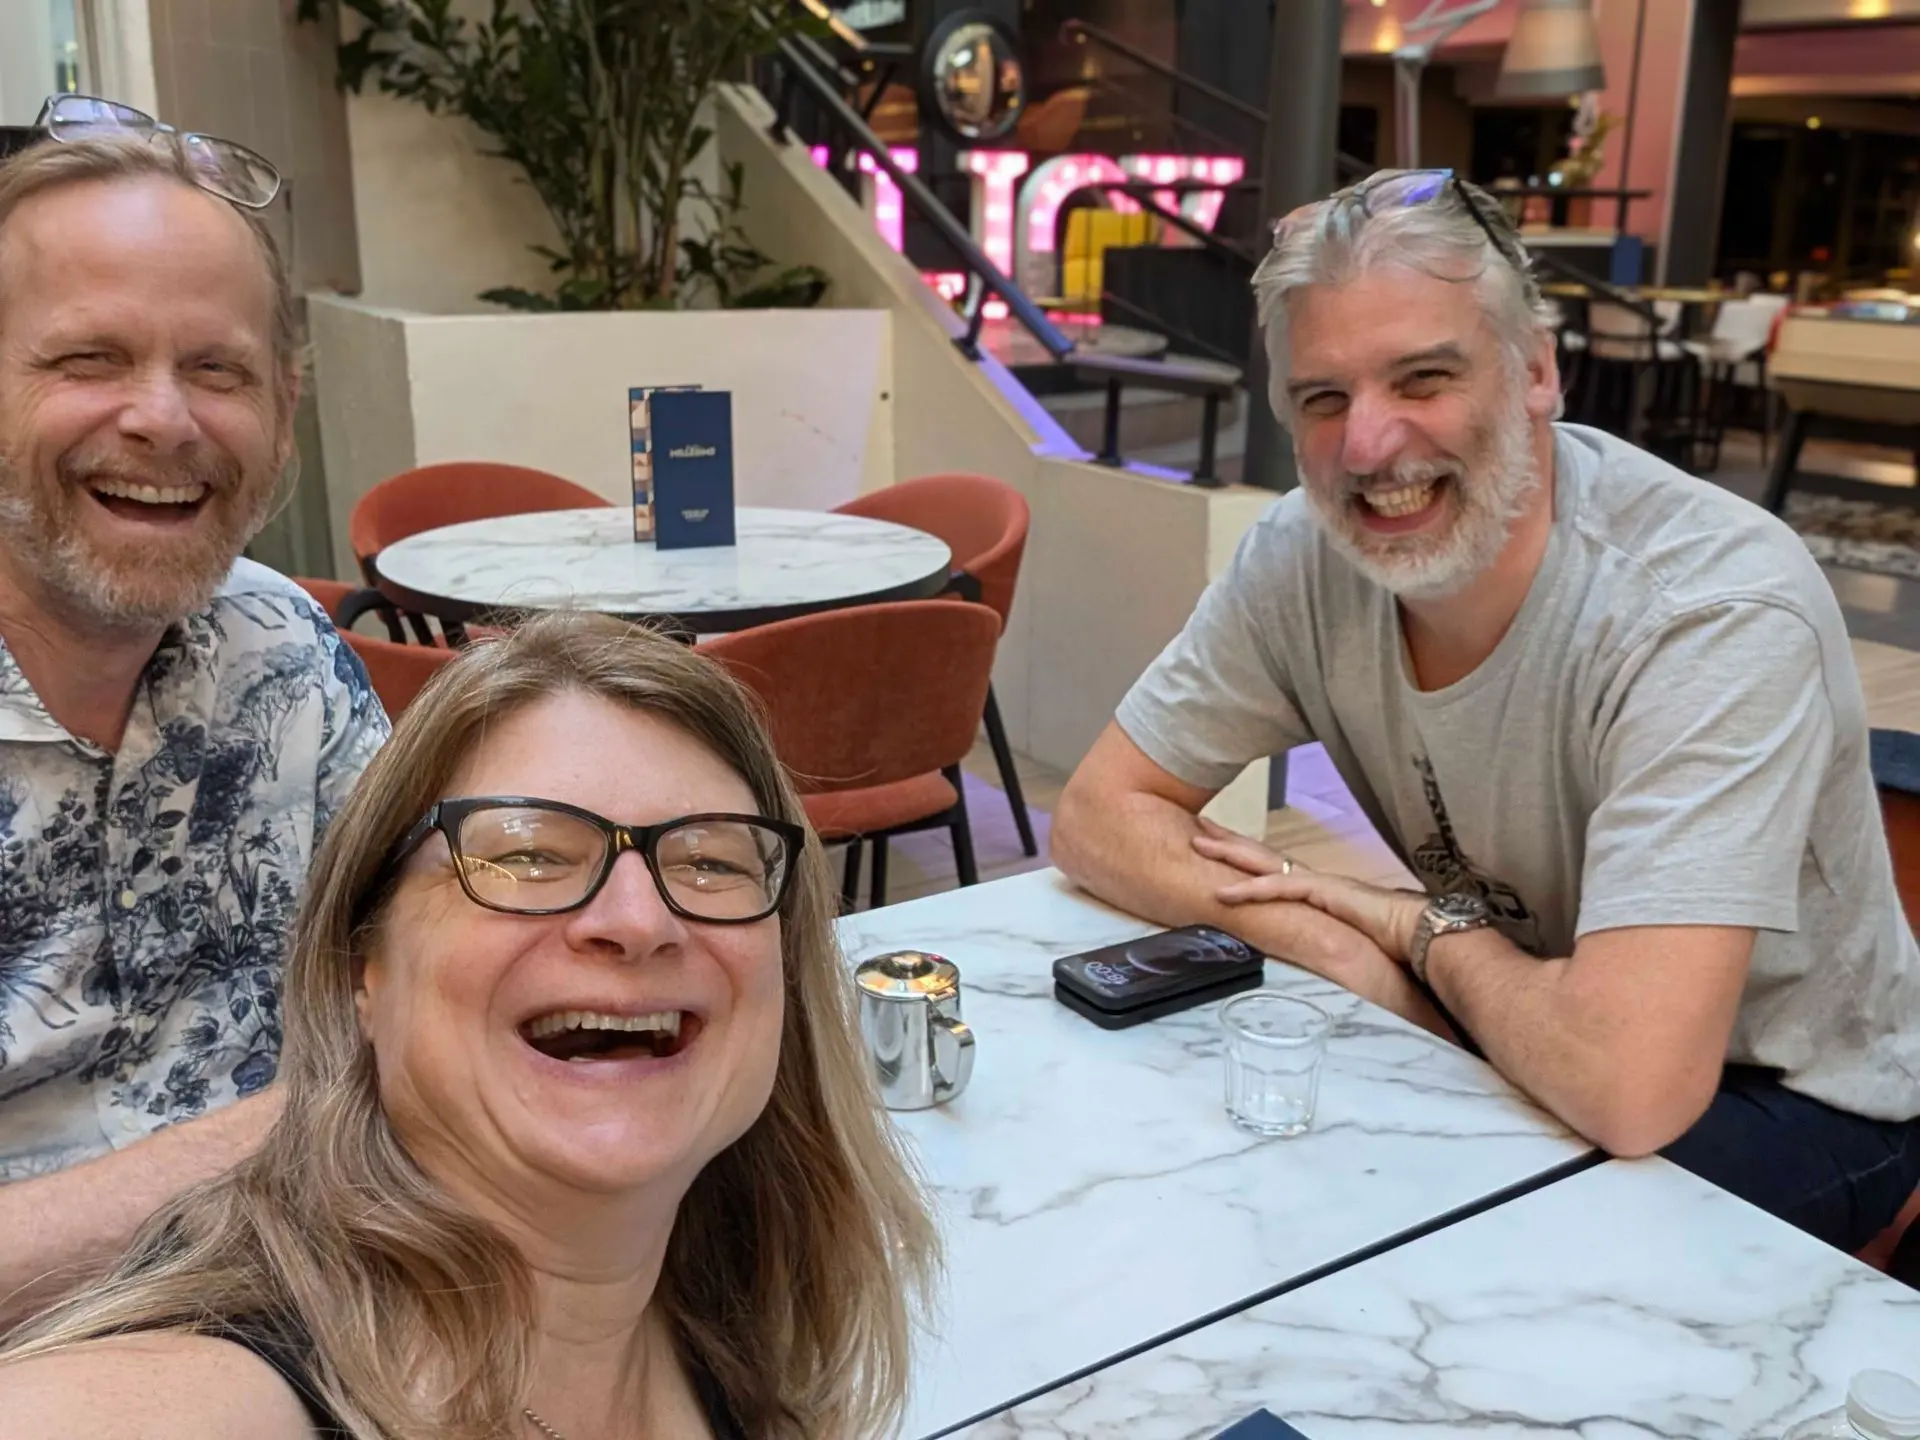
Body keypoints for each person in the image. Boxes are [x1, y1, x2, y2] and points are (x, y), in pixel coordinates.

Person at [1052, 169, 1920, 1254]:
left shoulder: (1708, 610)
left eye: (1423, 377)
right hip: (1529, 1017)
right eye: (1324, 399)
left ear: (1538, 371)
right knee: (1216, 1190)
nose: (1369, 448)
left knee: (1403, 1260)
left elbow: (1630, 1086)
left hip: (1788, 1092)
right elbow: (1098, 815)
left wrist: (1417, 931)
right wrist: (1349, 953)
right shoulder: (1304, 556)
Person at [0, 611, 938, 1438]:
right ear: (363, 971)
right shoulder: (206, 1400)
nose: (638, 921)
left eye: (710, 864)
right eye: (526, 853)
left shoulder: (746, 1342)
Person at [0, 110, 388, 1317]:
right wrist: (312, 1133)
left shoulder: (287, 654)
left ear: (283, 413)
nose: (164, 420)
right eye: (87, 360)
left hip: (337, 1301)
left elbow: (426, 969)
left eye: (218, 370)